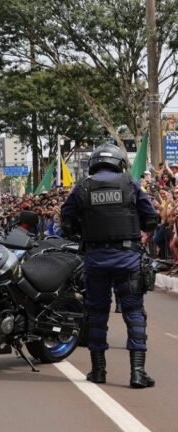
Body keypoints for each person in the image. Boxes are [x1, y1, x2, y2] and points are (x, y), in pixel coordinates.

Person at [61, 143, 158, 389]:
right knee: (134, 313)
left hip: (95, 260)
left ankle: (98, 370)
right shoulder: (130, 184)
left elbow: (67, 220)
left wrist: (81, 231)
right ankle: (137, 373)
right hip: (127, 259)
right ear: (119, 162)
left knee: (96, 314)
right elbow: (150, 219)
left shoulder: (82, 186)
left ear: (94, 162)